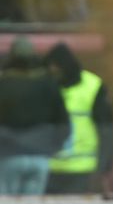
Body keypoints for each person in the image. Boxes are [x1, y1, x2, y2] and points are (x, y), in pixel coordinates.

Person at [44, 42, 113, 194]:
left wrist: (103, 167)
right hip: (50, 169)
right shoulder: (46, 86)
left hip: (83, 170)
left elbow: (107, 130)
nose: (53, 71)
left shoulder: (92, 86)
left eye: (56, 67)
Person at [0, 37, 70, 195]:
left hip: (8, 156)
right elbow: (63, 122)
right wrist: (54, 147)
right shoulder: (48, 84)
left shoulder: (3, 84)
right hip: (40, 157)